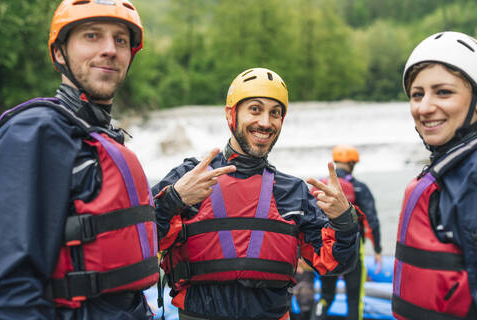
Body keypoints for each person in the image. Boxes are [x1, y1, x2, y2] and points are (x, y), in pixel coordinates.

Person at [153, 67, 360, 320]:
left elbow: (336, 263)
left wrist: (344, 220)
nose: (265, 122)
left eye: (275, 113)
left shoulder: (293, 192)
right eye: (255, 109)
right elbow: (139, 242)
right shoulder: (189, 177)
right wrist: (172, 200)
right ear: (231, 114)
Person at [0, 1, 159, 319]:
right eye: (92, 36)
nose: (110, 49)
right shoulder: (36, 132)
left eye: (120, 40)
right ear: (59, 53)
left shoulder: (101, 135)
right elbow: (11, 289)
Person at [392, 31, 477, 320]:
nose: (424, 107)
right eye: (417, 94)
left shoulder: (472, 179)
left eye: (443, 92)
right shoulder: (451, 170)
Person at [312, 145, 382, 320]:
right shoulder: (359, 188)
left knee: (326, 295)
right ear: (352, 164)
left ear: (336, 162)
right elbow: (372, 220)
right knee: (354, 297)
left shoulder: (323, 186)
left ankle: (317, 315)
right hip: (353, 249)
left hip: (327, 248)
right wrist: (378, 249)